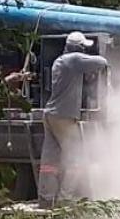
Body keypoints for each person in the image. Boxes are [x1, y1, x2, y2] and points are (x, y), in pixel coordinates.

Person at [37, 32, 109, 209]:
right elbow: (102, 62)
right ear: (78, 48)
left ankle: (46, 198)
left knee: (50, 161)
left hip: (51, 114)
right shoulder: (73, 60)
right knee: (77, 158)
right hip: (64, 116)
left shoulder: (60, 62)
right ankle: (65, 199)